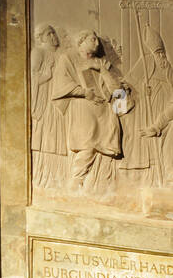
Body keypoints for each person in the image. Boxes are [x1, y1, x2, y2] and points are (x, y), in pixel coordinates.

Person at [51, 30, 124, 195]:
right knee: (87, 143)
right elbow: (61, 83)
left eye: (98, 41)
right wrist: (84, 92)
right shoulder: (68, 59)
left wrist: (103, 70)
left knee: (105, 147)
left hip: (103, 110)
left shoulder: (102, 62)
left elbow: (116, 90)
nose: (97, 44)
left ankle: (98, 186)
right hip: (83, 106)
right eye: (93, 40)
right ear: (81, 41)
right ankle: (76, 180)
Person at [30, 24, 67, 190]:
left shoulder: (58, 55)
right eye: (49, 33)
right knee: (46, 136)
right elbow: (32, 76)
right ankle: (43, 175)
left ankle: (58, 175)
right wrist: (47, 76)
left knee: (58, 135)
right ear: (41, 38)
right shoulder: (39, 52)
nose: (54, 37)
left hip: (56, 100)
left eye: (54, 33)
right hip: (44, 101)